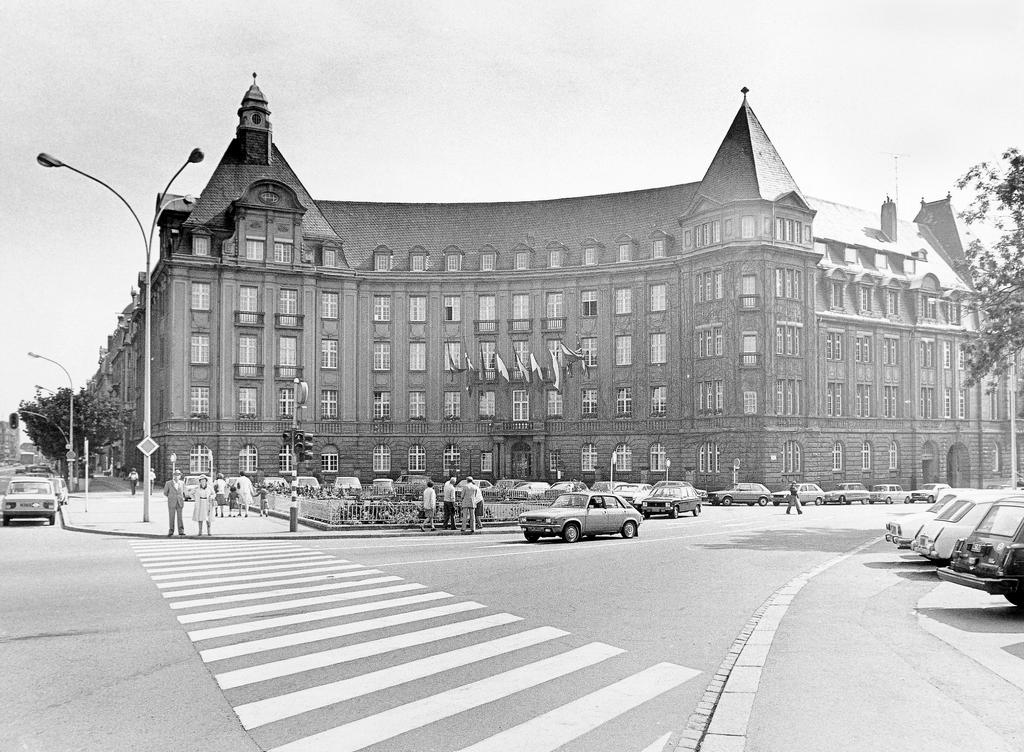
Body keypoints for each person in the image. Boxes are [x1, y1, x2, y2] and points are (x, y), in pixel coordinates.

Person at [162, 469, 185, 536]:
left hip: (179, 502)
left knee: (180, 517)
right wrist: (171, 497)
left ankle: (181, 531)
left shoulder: (182, 483)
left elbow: (183, 492)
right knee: (171, 517)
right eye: (175, 475)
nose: (176, 476)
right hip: (171, 502)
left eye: (178, 475)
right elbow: (165, 493)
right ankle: (171, 531)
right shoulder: (168, 483)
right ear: (173, 475)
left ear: (180, 476)